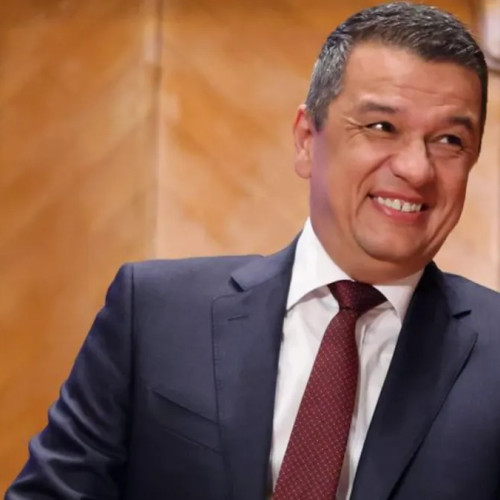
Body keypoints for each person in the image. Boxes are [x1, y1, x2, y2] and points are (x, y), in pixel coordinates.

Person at [6, 2, 500, 500]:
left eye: (449, 140)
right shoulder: (155, 313)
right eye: (381, 127)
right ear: (306, 140)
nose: (416, 168)